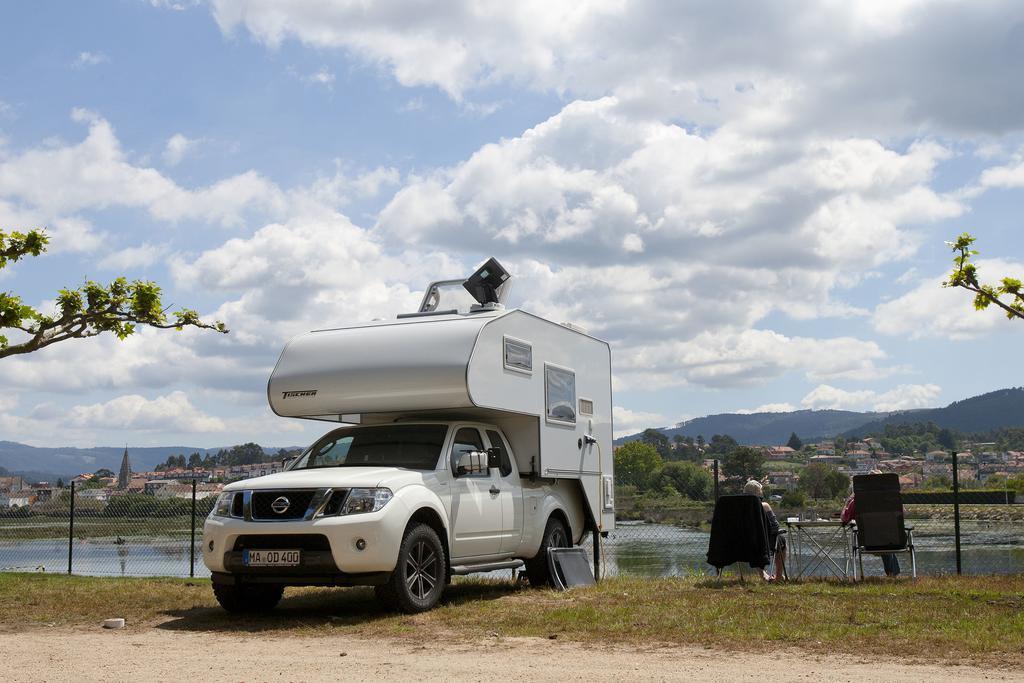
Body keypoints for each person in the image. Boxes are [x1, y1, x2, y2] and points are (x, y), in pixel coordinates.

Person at [840, 470, 900, 576]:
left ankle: (891, 573)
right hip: (893, 541)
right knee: (886, 537)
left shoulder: (856, 501)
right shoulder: (892, 499)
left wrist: (847, 502)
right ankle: (892, 574)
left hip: (867, 542)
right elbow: (903, 513)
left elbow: (845, 519)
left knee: (881, 536)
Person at [743, 479, 786, 581]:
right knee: (781, 539)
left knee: (755, 540)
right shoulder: (764, 506)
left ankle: (762, 574)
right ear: (759, 493)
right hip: (764, 544)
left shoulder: (737, 508)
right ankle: (778, 576)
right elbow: (775, 527)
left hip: (741, 544)